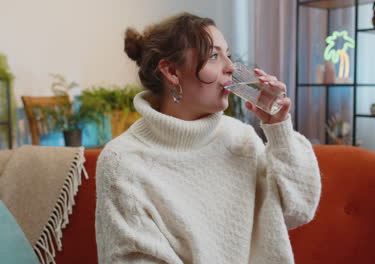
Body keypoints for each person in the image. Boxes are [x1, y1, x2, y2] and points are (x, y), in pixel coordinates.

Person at [95, 12, 321, 264]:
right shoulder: (122, 162)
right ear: (171, 71)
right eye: (214, 55)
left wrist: (279, 128)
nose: (232, 67)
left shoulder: (241, 138)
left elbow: (298, 210)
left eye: (228, 54)